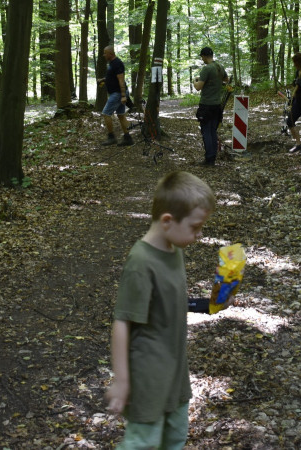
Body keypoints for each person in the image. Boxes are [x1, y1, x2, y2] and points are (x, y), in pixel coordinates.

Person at [106, 171, 231, 449]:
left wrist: (211, 304)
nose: (199, 235)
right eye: (196, 227)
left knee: (175, 437)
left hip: (175, 374)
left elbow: (172, 302)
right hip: (148, 377)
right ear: (167, 221)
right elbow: (122, 322)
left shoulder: (174, 250)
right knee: (143, 443)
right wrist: (122, 380)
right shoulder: (140, 263)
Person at [193, 47, 228, 166]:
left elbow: (198, 87)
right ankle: (212, 157)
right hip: (217, 105)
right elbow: (226, 80)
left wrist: (195, 80)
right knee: (213, 131)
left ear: (204, 56)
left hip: (206, 105)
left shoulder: (207, 69)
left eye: (202, 56)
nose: (202, 59)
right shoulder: (220, 67)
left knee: (206, 132)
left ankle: (209, 158)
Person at [100, 46, 134, 146]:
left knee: (106, 114)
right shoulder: (111, 64)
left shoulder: (117, 63)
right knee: (121, 115)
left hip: (118, 93)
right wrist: (103, 80)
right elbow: (112, 77)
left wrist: (123, 95)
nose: (104, 55)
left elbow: (121, 79)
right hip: (117, 93)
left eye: (105, 53)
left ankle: (111, 137)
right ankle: (128, 138)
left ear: (110, 53)